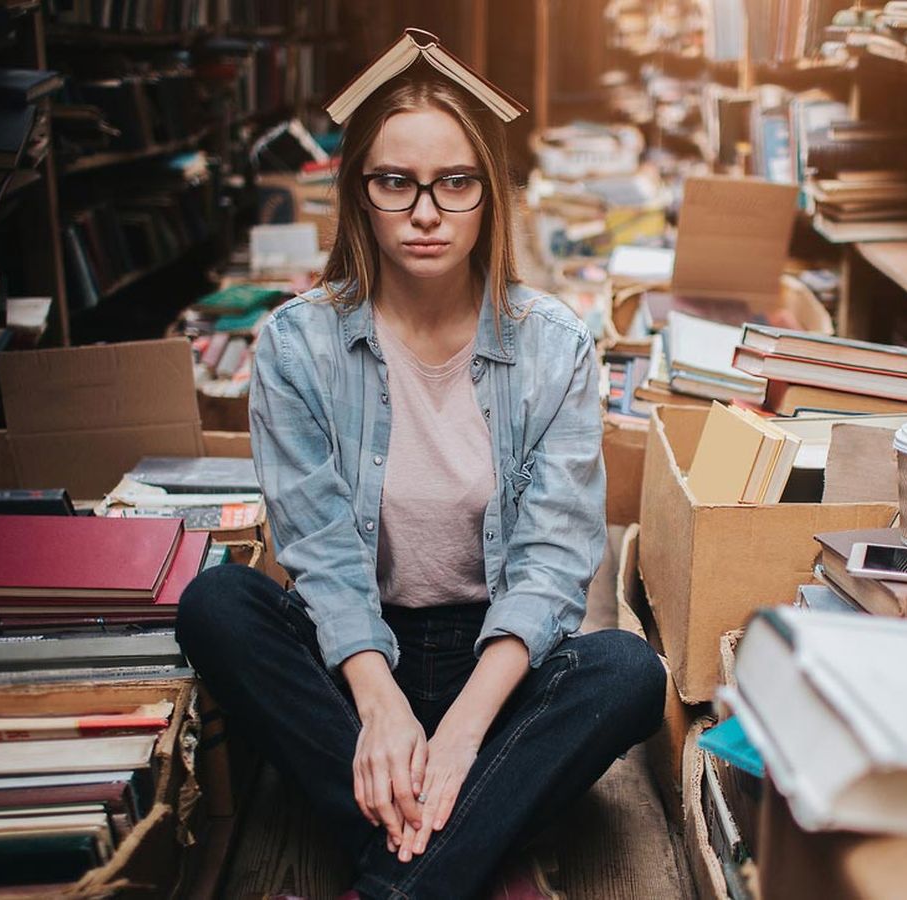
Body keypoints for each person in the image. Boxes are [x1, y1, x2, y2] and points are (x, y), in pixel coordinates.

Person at [176, 64, 666, 900]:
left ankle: (397, 867)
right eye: (397, 183)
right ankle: (470, 839)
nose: (427, 212)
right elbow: (321, 550)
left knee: (627, 671)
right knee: (216, 605)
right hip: (359, 656)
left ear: (490, 195)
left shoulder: (554, 344)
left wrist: (467, 728)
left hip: (497, 666)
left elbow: (552, 562)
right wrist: (378, 704)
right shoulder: (297, 346)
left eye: (456, 183)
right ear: (360, 193)